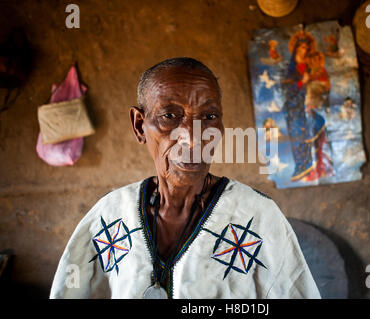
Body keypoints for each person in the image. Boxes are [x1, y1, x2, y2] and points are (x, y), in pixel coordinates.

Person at [49, 57, 320, 299]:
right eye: (170, 116)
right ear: (139, 125)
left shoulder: (257, 217)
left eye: (209, 116)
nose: (193, 137)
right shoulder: (108, 216)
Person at [282, 31, 333, 182]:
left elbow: (320, 83)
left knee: (316, 125)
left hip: (308, 104)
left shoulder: (310, 65)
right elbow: (287, 89)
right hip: (294, 107)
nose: (305, 50)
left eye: (307, 48)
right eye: (302, 47)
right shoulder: (291, 69)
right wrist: (302, 83)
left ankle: (318, 166)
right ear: (297, 48)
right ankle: (302, 166)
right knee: (298, 136)